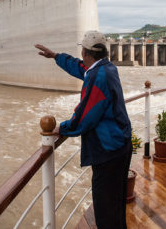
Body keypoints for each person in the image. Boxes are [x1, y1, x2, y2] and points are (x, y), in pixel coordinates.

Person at [35, 31, 132, 229]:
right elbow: (80, 68)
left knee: (106, 210)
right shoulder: (105, 67)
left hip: (109, 150)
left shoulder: (98, 77)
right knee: (116, 204)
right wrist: (55, 56)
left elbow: (85, 118)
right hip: (120, 144)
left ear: (85, 52)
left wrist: (60, 128)